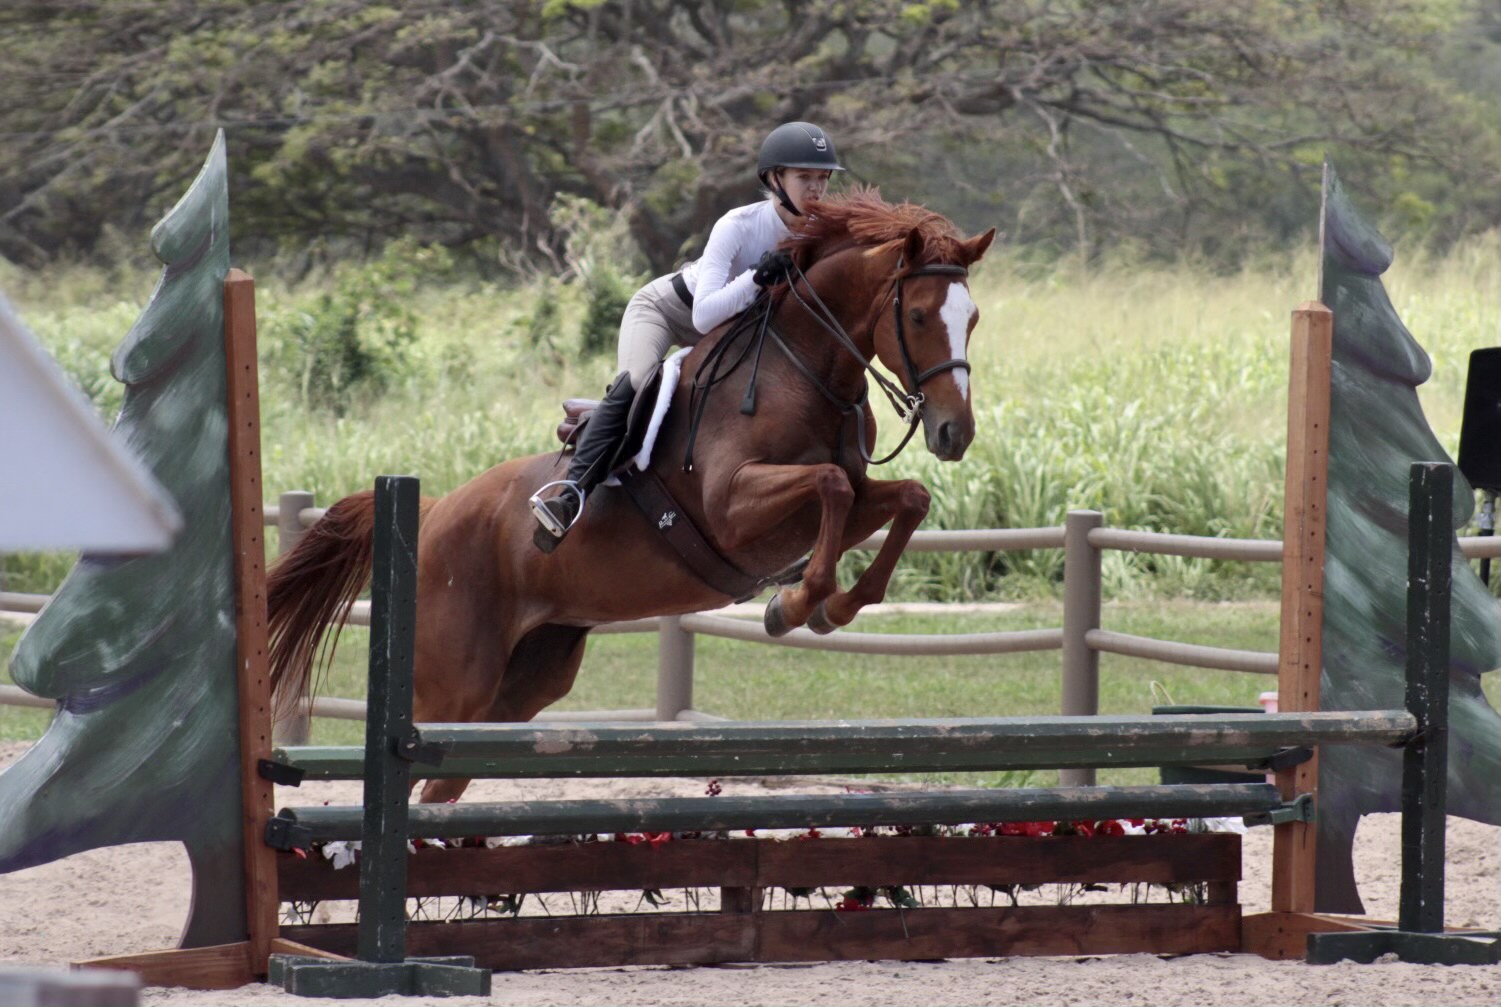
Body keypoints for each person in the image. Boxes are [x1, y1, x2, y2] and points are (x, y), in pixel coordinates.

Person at [530, 121, 845, 551]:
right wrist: (758, 275)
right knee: (639, 383)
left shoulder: (822, 233)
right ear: (775, 179)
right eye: (804, 177)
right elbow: (703, 315)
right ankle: (570, 494)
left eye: (822, 179)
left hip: (736, 335)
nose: (816, 190)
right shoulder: (738, 224)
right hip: (669, 310)